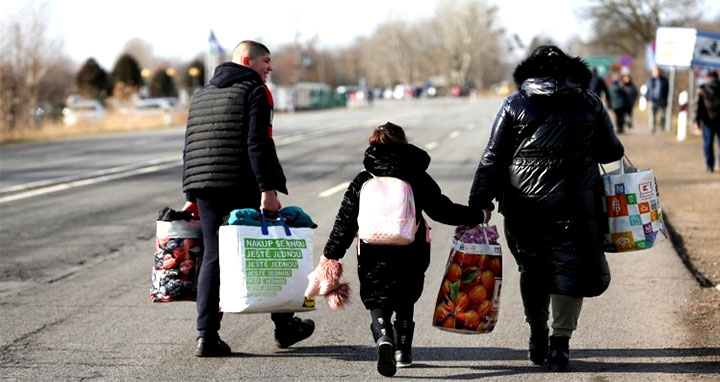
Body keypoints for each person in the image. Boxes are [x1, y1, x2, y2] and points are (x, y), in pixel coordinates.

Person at [468, 45, 624, 372]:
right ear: (573, 72)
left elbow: (492, 158)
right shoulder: (589, 103)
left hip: (524, 205)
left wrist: (478, 204)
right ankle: (560, 346)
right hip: (577, 205)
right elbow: (611, 152)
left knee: (532, 267)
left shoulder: (513, 104)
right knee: (570, 268)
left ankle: (537, 334)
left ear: (528, 73)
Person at [321, 122, 489, 377]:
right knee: (405, 296)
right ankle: (402, 352)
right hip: (411, 247)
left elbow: (345, 221)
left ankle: (384, 336)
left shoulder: (364, 178)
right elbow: (441, 210)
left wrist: (331, 255)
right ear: (403, 144)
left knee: (377, 297)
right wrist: (478, 215)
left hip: (371, 249)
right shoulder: (415, 175)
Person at [181, 40, 314, 357]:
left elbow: (190, 145)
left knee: (213, 257)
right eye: (265, 61)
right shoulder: (255, 91)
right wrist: (267, 190)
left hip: (205, 186)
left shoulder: (201, 94)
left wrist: (191, 195)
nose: (269, 68)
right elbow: (258, 143)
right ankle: (285, 327)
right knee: (269, 248)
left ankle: (207, 336)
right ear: (246, 60)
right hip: (240, 183)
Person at [694, 70, 720, 172]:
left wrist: (696, 121)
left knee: (708, 143)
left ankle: (710, 166)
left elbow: (698, 106)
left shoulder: (702, 89)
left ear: (707, 78)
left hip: (707, 121)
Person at [646, 66, 670, 133]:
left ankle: (663, 127)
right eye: (655, 72)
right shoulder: (650, 80)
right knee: (652, 115)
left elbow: (667, 91)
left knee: (662, 115)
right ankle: (652, 128)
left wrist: (666, 99)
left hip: (661, 100)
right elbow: (647, 91)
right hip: (652, 100)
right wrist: (647, 99)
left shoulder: (665, 81)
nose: (657, 73)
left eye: (658, 71)